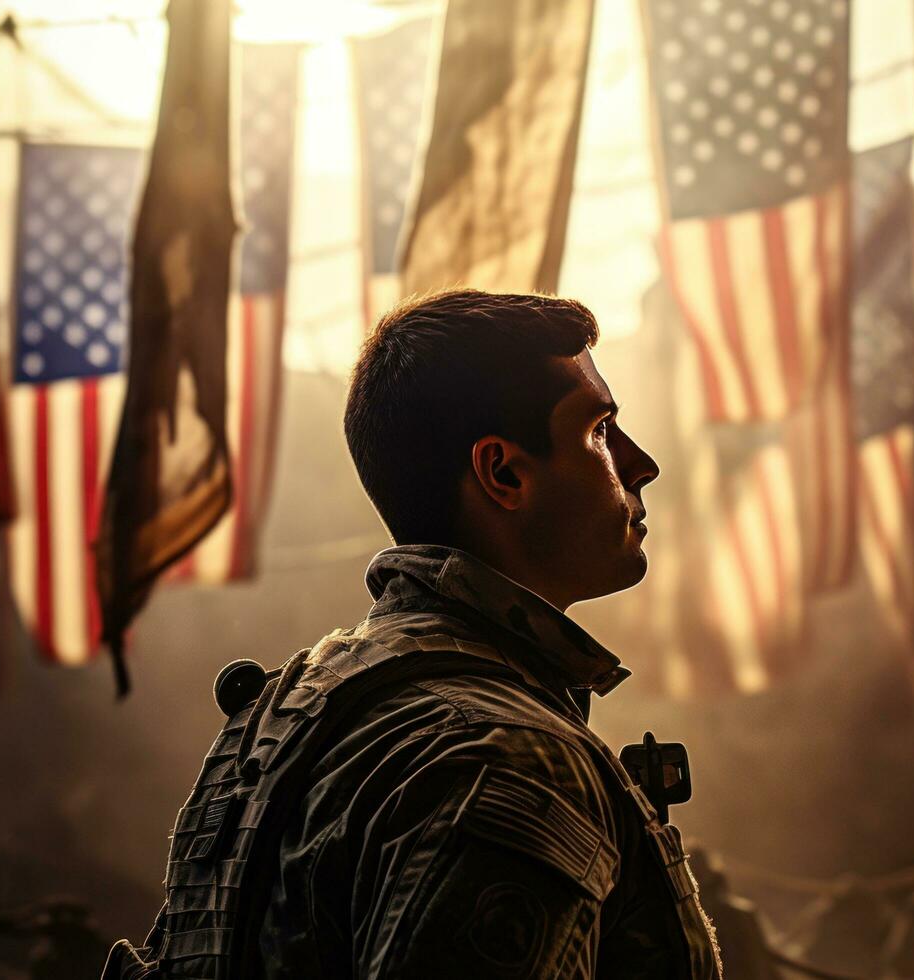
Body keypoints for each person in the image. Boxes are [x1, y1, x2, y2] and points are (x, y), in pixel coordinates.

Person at [105, 290, 722, 978]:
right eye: (600, 432)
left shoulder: (286, 713)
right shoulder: (508, 754)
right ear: (504, 472)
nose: (641, 465)